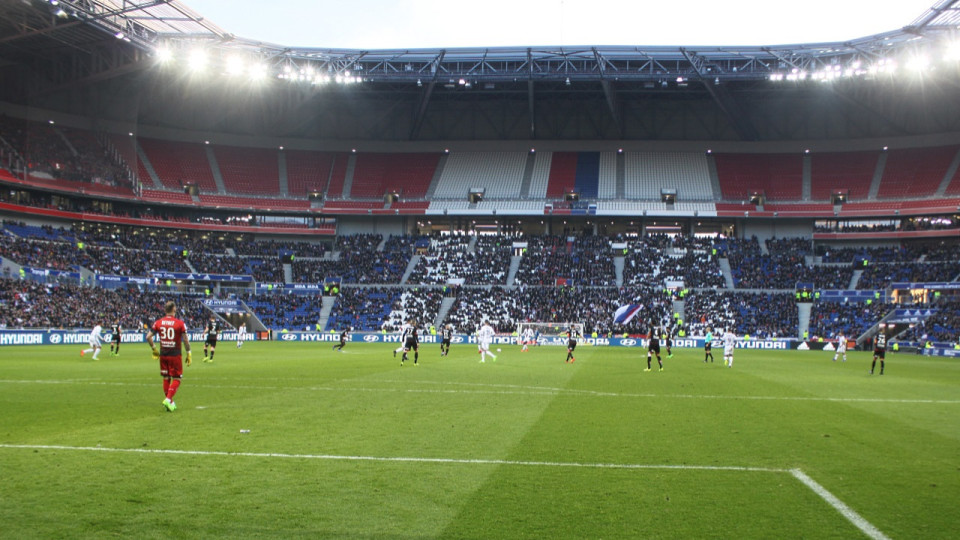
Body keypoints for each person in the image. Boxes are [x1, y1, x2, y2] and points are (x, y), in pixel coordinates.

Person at [146, 301, 192, 412]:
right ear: (174, 309)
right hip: (175, 355)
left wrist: (154, 349)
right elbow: (185, 339)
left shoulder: (158, 322)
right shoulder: (179, 323)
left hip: (163, 354)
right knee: (176, 378)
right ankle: (168, 399)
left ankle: (170, 402)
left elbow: (148, 337)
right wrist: (189, 352)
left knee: (166, 378)